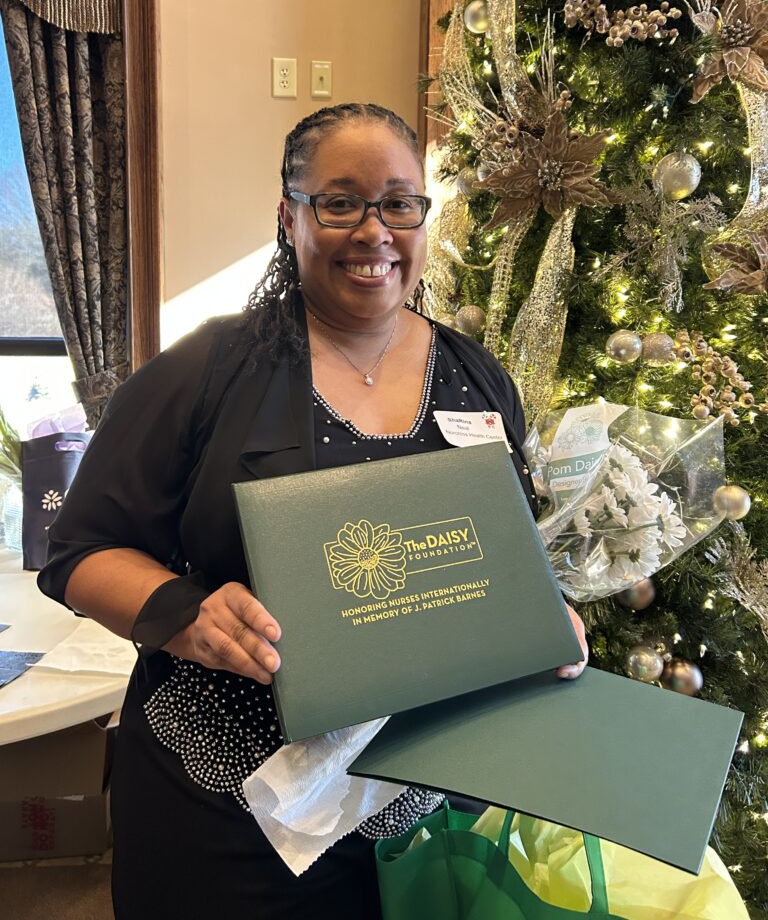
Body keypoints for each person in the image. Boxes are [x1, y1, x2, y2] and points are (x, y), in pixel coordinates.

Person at [38, 103, 588, 919]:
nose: (374, 231)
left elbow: (499, 551)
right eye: (340, 202)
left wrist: (541, 616)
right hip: (227, 799)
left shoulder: (478, 379)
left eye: (399, 203)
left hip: (423, 803)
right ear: (290, 215)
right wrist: (186, 617)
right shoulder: (207, 369)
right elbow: (79, 551)